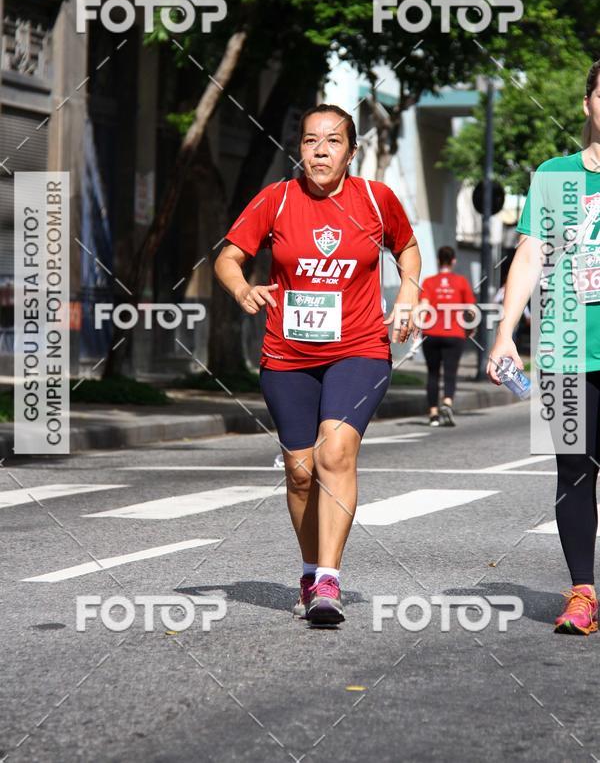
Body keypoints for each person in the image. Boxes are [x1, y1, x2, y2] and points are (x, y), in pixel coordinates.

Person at [214, 103, 421, 625]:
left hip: (359, 348)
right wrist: (241, 289)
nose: (320, 150)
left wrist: (408, 297)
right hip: (287, 354)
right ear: (299, 149)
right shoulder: (277, 200)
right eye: (310, 141)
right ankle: (309, 570)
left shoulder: (376, 200)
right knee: (300, 471)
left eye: (332, 141)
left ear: (351, 152)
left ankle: (329, 578)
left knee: (336, 451)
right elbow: (227, 257)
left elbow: (408, 248)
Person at [487, 59, 600, 635]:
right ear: (589, 104)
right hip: (564, 344)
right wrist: (506, 331)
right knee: (574, 471)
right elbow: (530, 254)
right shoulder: (554, 176)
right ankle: (583, 592)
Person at [419, 246, 477, 426]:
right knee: (450, 372)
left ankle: (433, 415)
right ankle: (447, 403)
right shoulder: (461, 282)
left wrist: (418, 327)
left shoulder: (429, 282)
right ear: (453, 261)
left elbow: (423, 307)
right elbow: (471, 310)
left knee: (433, 373)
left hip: (431, 333)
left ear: (438, 260)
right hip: (454, 333)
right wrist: (471, 328)